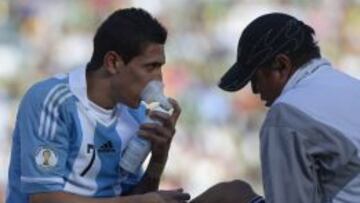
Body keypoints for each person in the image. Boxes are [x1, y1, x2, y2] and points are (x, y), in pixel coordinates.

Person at [6, 8, 190, 203]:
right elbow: (43, 199)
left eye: (160, 67)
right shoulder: (52, 101)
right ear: (113, 62)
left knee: (222, 194)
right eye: (150, 67)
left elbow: (133, 195)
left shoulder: (136, 115)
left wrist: (158, 159)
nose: (159, 79)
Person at [191, 12, 360, 203]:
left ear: (281, 65)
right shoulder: (351, 86)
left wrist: (236, 197)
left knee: (233, 193)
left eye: (255, 78)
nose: (255, 91)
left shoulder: (286, 115)